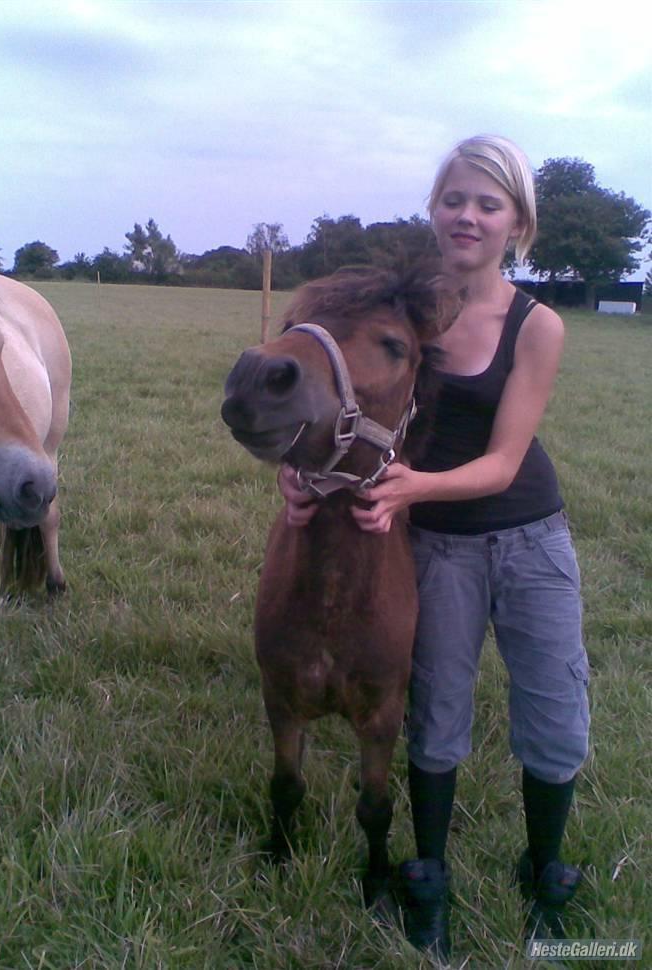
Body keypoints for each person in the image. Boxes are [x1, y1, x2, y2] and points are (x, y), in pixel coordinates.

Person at [279, 134, 588, 961]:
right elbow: (332, 411)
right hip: (437, 548)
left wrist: (410, 486)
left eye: (489, 203)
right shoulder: (396, 311)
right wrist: (295, 475)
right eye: (455, 198)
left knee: (554, 712)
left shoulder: (538, 324)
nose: (468, 215)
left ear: (517, 221)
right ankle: (429, 876)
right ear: (434, 209)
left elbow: (504, 461)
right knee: (436, 716)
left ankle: (548, 869)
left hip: (529, 536)